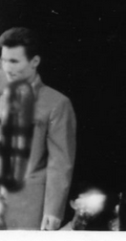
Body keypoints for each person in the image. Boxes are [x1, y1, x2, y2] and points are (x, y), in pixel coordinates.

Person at [0, 27, 77, 230]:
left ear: (34, 62)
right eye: (3, 60)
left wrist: (53, 210)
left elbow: (60, 163)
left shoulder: (57, 103)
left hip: (29, 209)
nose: (7, 67)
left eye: (14, 61)